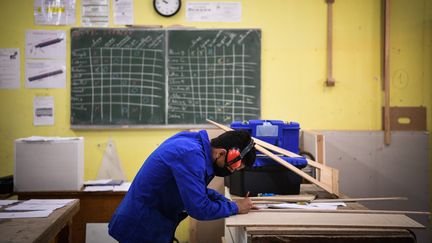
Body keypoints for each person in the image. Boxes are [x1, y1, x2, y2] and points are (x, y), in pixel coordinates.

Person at [108, 129, 257, 243]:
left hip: (150, 224)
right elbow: (199, 208)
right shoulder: (191, 155)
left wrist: (230, 203)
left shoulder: (192, 143)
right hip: (140, 229)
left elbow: (197, 191)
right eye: (232, 167)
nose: (230, 171)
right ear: (221, 153)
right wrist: (236, 208)